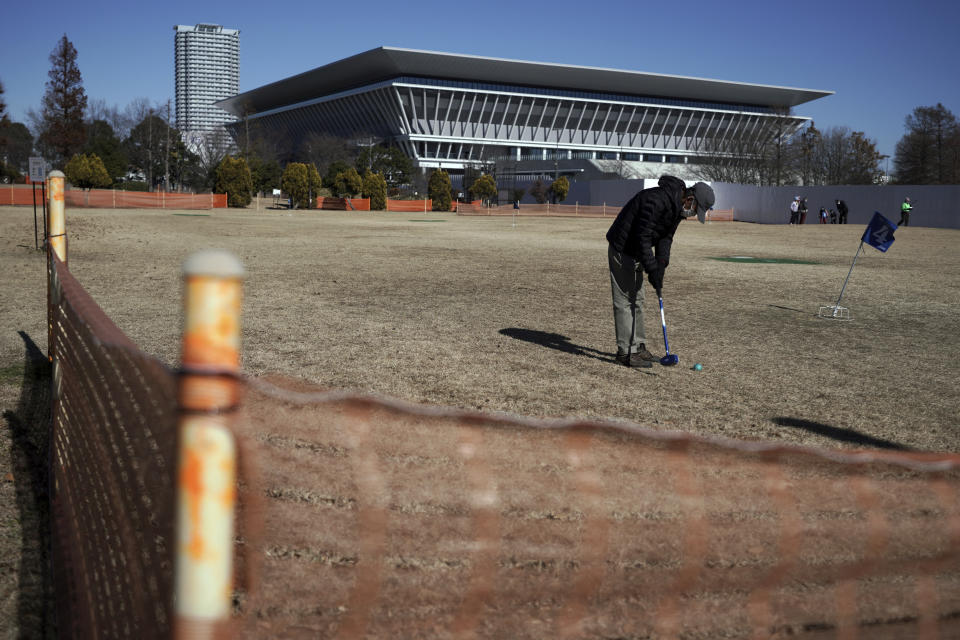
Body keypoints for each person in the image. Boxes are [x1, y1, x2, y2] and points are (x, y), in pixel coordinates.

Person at [605, 176, 715, 368]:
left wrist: (661, 265)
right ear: (690, 199)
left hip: (637, 251)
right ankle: (625, 352)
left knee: (638, 299)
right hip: (623, 248)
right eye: (695, 210)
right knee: (624, 301)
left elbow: (666, 238)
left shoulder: (677, 209)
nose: (692, 214)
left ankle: (638, 346)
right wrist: (651, 268)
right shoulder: (656, 200)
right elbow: (643, 236)